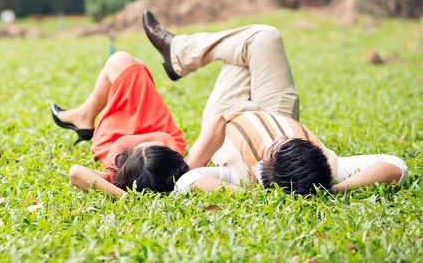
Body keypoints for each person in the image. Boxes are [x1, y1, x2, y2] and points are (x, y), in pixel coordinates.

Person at [141, 10, 408, 195]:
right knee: (265, 36)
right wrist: (334, 188)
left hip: (226, 119)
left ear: (263, 174)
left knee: (239, 53)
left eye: (274, 148)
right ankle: (178, 52)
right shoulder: (330, 167)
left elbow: (187, 182)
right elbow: (396, 164)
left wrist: (258, 195)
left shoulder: (245, 178)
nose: (275, 139)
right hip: (277, 110)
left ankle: (178, 52)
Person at [51, 51, 189, 196]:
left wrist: (125, 197)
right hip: (160, 126)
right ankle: (83, 115)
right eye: (153, 146)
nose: (145, 141)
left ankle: (83, 116)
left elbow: (76, 173)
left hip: (115, 134)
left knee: (122, 62)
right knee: (136, 65)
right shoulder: (180, 170)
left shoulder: (119, 174)